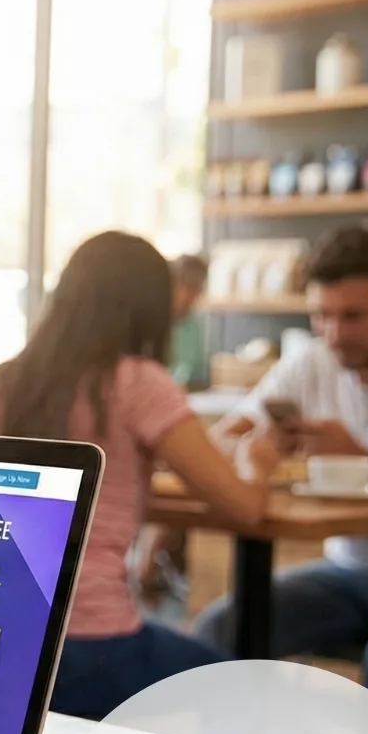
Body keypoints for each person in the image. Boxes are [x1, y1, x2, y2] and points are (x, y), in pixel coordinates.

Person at [0, 231, 281, 721]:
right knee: (253, 695)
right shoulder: (137, 382)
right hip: (93, 644)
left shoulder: (5, 381)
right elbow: (244, 506)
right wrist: (258, 460)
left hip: (6, 638)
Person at [196, 227, 368, 724]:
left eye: (353, 316)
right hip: (343, 571)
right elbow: (223, 440)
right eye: (321, 316)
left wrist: (365, 457)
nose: (334, 333)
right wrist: (262, 445)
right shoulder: (312, 363)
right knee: (219, 632)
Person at [136, 253, 214, 606]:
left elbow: (195, 375)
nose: (190, 298)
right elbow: (244, 506)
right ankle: (149, 565)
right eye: (186, 289)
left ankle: (154, 563)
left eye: (197, 291)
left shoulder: (190, 326)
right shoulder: (141, 342)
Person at [167, 254, 211, 391]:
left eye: (197, 288)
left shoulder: (191, 326)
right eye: (186, 286)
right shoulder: (150, 323)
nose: (190, 296)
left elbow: (200, 376)